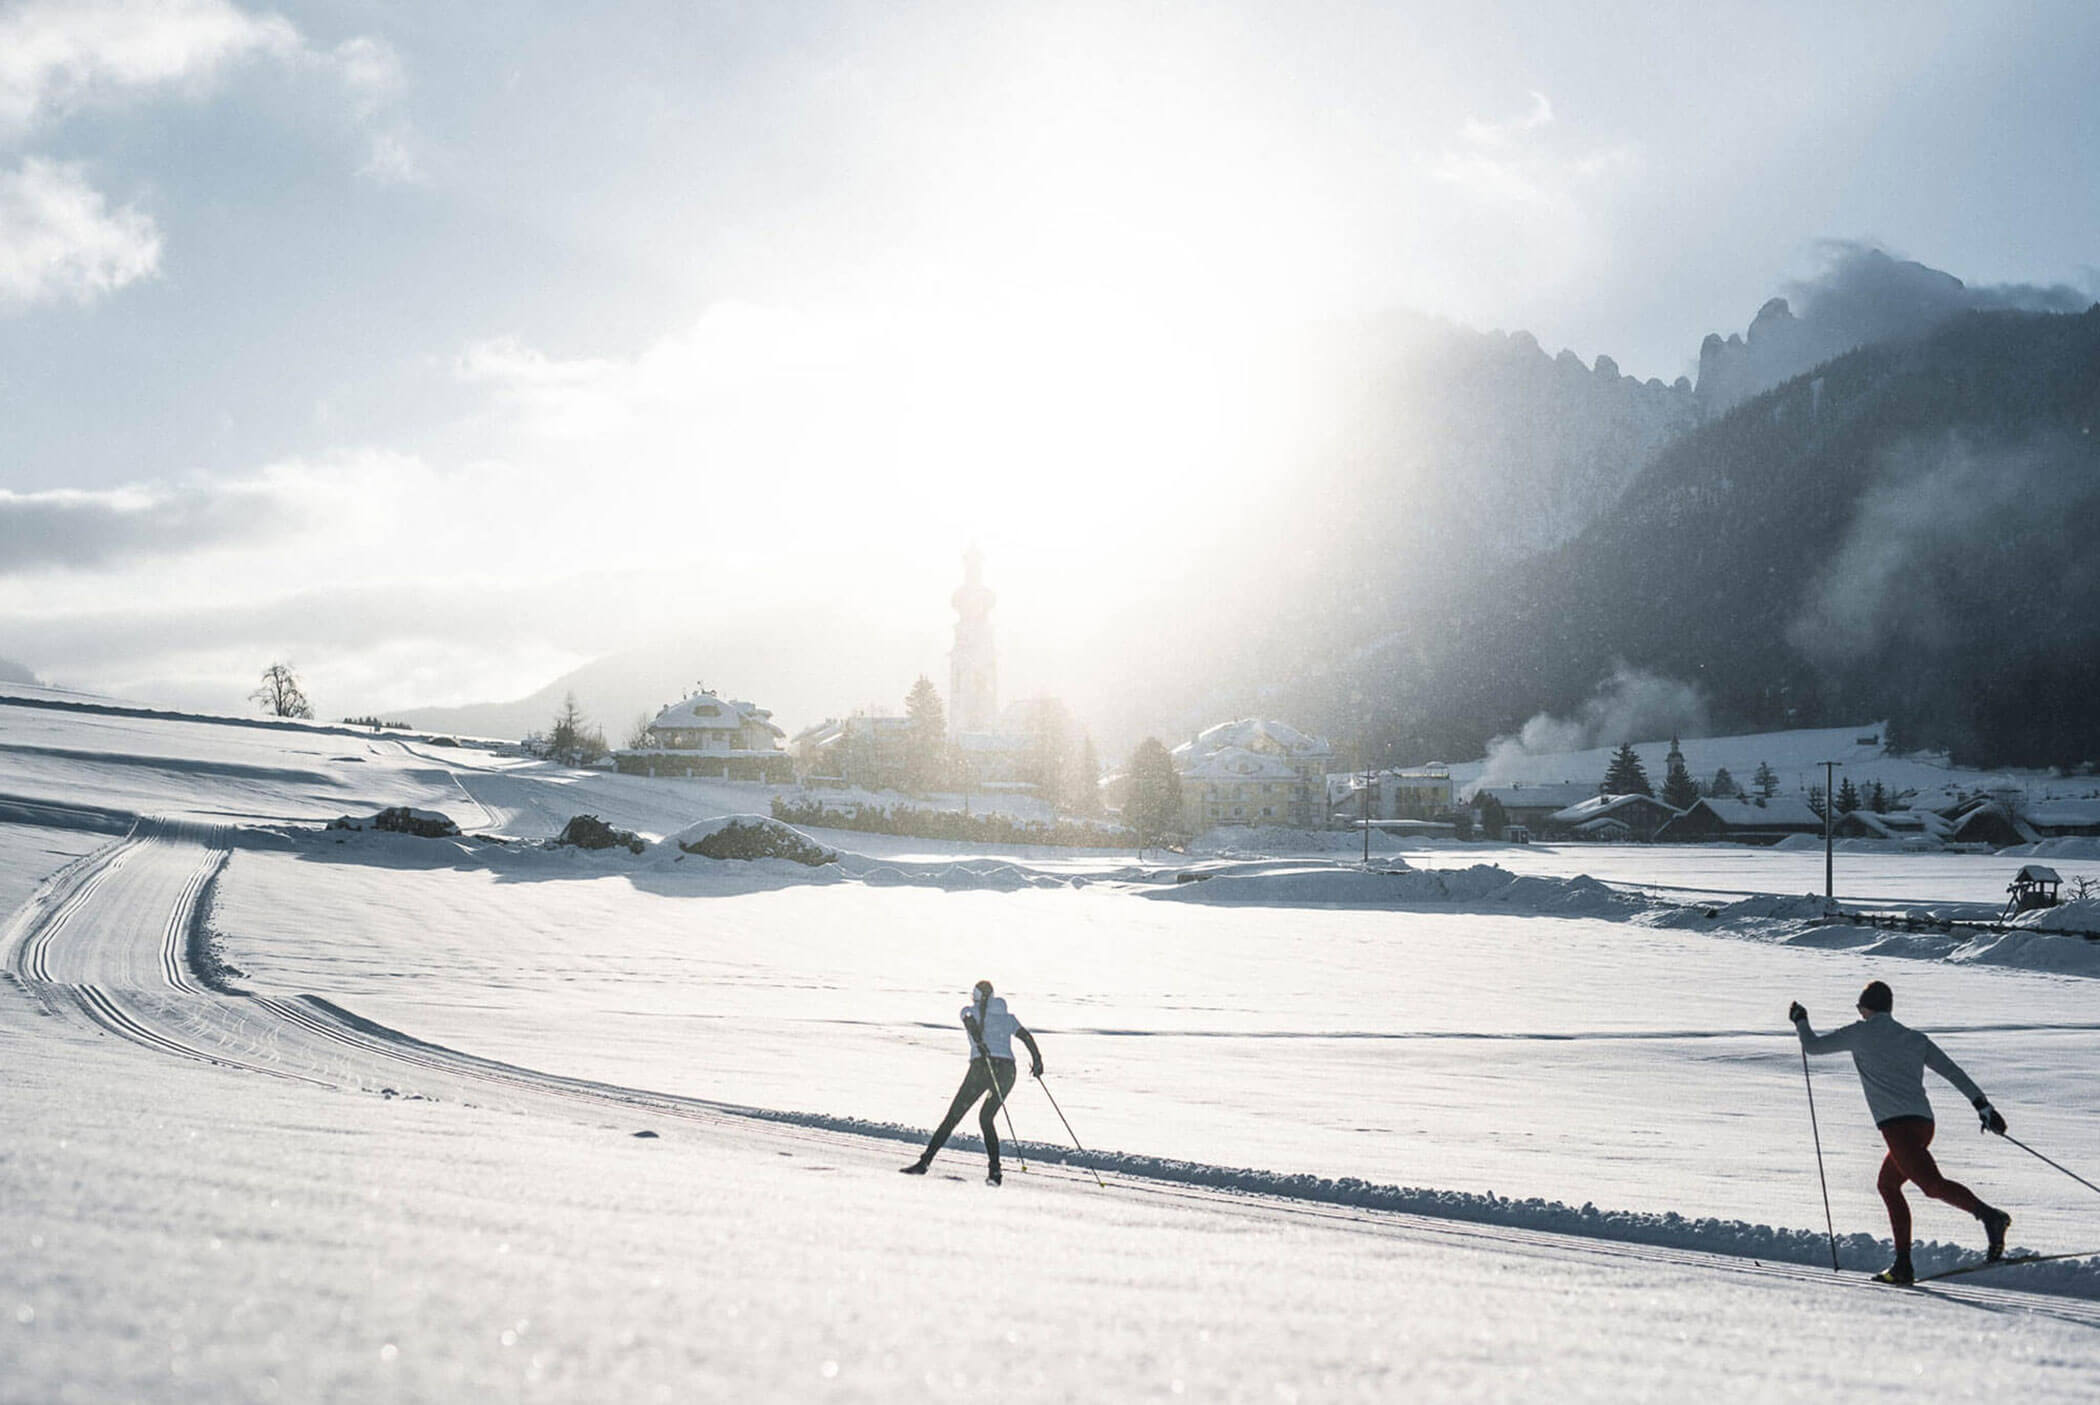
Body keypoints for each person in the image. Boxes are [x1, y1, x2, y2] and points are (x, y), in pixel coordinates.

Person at [1790, 979, 2012, 1284]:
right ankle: (1903, 1264)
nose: (1859, 1012)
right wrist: (1983, 1106)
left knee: (1931, 1186)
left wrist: (1800, 1020)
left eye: (1859, 1007)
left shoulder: (1859, 1033)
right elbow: (1952, 1071)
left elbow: (1812, 1047)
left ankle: (1990, 1217)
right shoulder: (1913, 1038)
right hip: (1923, 1124)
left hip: (1897, 1128)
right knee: (1888, 1185)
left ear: (1866, 1008)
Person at [902, 979, 1043, 1185]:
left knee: (953, 1116)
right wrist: (1037, 1060)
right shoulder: (1007, 1017)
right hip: (1007, 1072)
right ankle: (995, 1173)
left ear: (974, 997)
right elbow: (1026, 1037)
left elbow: (969, 1021)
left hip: (982, 1068)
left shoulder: (970, 1011)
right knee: (987, 1118)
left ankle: (924, 1163)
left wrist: (979, 1043)